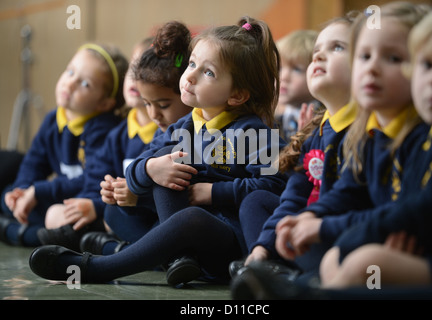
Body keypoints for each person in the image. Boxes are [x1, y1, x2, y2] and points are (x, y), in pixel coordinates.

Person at [28, 16, 287, 288]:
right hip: (190, 237)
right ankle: (179, 259)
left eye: (208, 72)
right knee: (126, 200)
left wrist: (212, 192)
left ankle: (99, 266)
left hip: (228, 244)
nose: (190, 76)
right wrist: (150, 171)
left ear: (237, 95)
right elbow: (138, 166)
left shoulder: (257, 132)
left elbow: (273, 187)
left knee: (189, 211)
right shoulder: (182, 127)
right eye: (192, 64)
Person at [231, 2, 431, 299]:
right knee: (261, 206)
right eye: (364, 56)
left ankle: (294, 286)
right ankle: (278, 271)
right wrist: (286, 232)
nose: (372, 66)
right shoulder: (351, 132)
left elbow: (400, 211)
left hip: (393, 245)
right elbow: (323, 194)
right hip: (353, 234)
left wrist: (319, 226)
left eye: (338, 48)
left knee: (358, 260)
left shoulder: (412, 136)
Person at [318, 2, 432, 291]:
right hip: (403, 238)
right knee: (332, 257)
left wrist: (333, 232)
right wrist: (311, 218)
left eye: (392, 57)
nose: (373, 68)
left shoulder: (422, 136)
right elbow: (348, 191)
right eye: (364, 56)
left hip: (429, 252)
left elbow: (417, 209)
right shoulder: (370, 132)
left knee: (363, 263)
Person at [230, 11, 358, 282]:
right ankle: (266, 267)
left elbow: (350, 200)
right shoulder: (318, 131)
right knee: (256, 202)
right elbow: (294, 195)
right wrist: (262, 248)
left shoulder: (364, 131)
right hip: (311, 224)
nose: (319, 57)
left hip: (340, 230)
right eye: (316, 52)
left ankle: (292, 278)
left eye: (337, 48)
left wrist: (308, 221)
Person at [80, 21, 193, 255]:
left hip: (196, 228)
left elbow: (182, 202)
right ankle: (154, 255)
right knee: (112, 212)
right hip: (162, 225)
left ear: (188, 91)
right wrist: (123, 192)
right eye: (147, 103)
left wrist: (138, 193)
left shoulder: (196, 135)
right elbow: (142, 164)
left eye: (163, 104)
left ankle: (123, 255)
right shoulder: (164, 133)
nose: (154, 114)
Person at [34, 37, 157, 252]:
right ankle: (107, 245)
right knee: (56, 214)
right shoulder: (117, 135)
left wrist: (99, 207)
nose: (136, 78)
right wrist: (89, 204)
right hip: (113, 213)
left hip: (147, 218)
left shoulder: (169, 132)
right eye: (133, 69)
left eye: (147, 72)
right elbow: (95, 181)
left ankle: (110, 248)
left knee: (114, 217)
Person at [0, 43, 128, 247]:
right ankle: (31, 231)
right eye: (70, 72)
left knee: (57, 217)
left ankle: (25, 234)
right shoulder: (53, 120)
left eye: (84, 84)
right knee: (7, 196)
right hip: (62, 197)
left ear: (104, 104)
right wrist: (22, 190)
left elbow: (91, 182)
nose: (70, 84)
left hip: (88, 203)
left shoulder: (103, 129)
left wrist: (38, 191)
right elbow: (33, 163)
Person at [274, 29, 321, 140]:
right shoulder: (272, 121)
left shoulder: (324, 120)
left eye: (297, 69)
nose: (283, 77)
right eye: (279, 68)